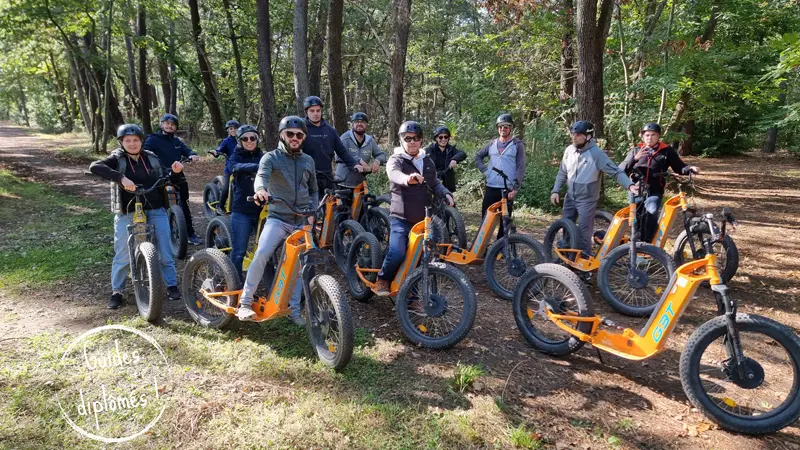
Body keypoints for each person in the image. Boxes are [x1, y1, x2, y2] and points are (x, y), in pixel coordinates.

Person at [89, 124, 183, 309]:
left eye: (135, 140)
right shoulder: (117, 158)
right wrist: (121, 178)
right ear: (121, 142)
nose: (132, 144)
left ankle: (171, 285)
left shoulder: (152, 158)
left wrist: (176, 172)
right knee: (123, 254)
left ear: (141, 141)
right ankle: (117, 291)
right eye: (127, 141)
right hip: (127, 211)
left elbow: (168, 178)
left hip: (155, 209)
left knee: (165, 251)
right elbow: (95, 166)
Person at [236, 116, 318, 325]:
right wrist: (260, 190)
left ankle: (294, 309)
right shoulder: (270, 158)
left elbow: (314, 190)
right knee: (262, 253)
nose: (294, 138)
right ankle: (245, 303)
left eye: (299, 135)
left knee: (304, 264)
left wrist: (312, 210)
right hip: (278, 218)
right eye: (290, 134)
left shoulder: (308, 160)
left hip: (301, 220)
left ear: (303, 138)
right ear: (282, 135)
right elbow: (261, 176)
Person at [375, 121, 454, 297]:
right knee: (397, 252)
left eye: (416, 138)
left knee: (420, 258)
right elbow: (393, 174)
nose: (412, 142)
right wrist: (407, 179)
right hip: (400, 218)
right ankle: (383, 278)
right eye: (408, 138)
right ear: (402, 140)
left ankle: (412, 294)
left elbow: (434, 183)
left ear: (421, 140)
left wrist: (445, 193)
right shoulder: (396, 159)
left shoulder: (427, 161)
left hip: (423, 220)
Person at [551, 120, 639, 257]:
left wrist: (630, 185)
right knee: (567, 227)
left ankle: (584, 262)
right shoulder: (569, 150)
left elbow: (615, 171)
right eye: (573, 133)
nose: (574, 136)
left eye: (578, 134)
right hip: (570, 197)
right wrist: (555, 190)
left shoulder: (596, 154)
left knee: (584, 232)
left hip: (587, 199)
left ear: (588, 137)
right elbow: (562, 172)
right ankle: (566, 256)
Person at [619, 122, 700, 243]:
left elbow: (679, 167)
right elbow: (621, 169)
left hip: (654, 190)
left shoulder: (666, 151)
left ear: (658, 136)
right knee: (636, 219)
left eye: (653, 135)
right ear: (642, 136)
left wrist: (690, 169)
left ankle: (647, 245)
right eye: (647, 135)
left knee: (651, 214)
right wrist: (635, 158)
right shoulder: (636, 150)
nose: (650, 138)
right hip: (636, 190)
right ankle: (634, 244)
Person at [144, 114, 202, 245]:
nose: (169, 126)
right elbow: (144, 152)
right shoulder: (153, 139)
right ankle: (155, 235)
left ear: (176, 127)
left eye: (173, 124)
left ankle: (190, 234)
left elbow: (186, 150)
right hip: (158, 176)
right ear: (162, 125)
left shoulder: (177, 142)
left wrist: (192, 155)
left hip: (176, 175)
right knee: (156, 205)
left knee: (183, 205)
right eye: (167, 123)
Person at [475, 113, 526, 240]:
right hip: (491, 186)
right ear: (498, 128)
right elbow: (478, 157)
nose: (503, 129)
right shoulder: (492, 143)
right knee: (486, 219)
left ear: (511, 128)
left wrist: (515, 188)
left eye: (506, 127)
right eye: (501, 126)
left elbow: (521, 167)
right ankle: (481, 248)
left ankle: (500, 248)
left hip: (507, 188)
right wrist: (486, 172)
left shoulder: (517, 145)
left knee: (505, 221)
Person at [301, 96, 365, 193]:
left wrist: (354, 164)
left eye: (318, 110)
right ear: (306, 112)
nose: (315, 114)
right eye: (312, 111)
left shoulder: (330, 130)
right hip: (308, 177)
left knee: (333, 206)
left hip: (327, 177)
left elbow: (341, 151)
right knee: (313, 207)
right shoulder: (301, 129)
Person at [226, 125, 264, 279]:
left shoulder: (263, 156)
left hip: (263, 210)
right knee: (239, 251)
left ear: (257, 139)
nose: (249, 141)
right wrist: (258, 166)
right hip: (242, 210)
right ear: (240, 141)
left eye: (252, 138)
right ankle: (235, 283)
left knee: (265, 250)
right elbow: (233, 167)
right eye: (245, 139)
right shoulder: (235, 155)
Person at [336, 112, 386, 187]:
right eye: (356, 122)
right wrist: (358, 160)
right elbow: (338, 156)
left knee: (367, 198)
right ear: (352, 124)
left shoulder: (369, 140)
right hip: (343, 183)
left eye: (363, 122)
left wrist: (377, 161)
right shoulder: (345, 138)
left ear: (366, 125)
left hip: (361, 184)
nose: (360, 124)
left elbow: (381, 155)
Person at [210, 119, 240, 214]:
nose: (233, 130)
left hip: (241, 168)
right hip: (230, 169)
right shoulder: (226, 141)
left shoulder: (243, 139)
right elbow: (220, 149)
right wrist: (216, 152)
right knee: (226, 188)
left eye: (235, 128)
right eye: (231, 129)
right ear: (228, 130)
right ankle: (220, 206)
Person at [425, 126, 466, 192]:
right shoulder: (430, 150)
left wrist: (454, 159)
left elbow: (463, 154)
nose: (443, 139)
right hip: (435, 182)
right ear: (436, 138)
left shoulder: (451, 149)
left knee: (449, 201)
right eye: (440, 137)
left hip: (448, 183)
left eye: (446, 137)